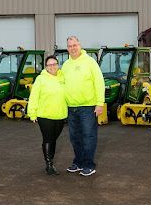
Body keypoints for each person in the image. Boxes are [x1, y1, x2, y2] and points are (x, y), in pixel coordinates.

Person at [61, 36, 105, 177]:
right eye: (69, 46)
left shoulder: (90, 62)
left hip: (87, 107)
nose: (72, 48)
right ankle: (78, 162)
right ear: (67, 48)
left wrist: (100, 103)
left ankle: (88, 165)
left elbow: (99, 82)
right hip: (71, 107)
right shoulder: (66, 65)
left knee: (88, 136)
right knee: (75, 137)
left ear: (80, 45)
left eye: (74, 45)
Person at [27, 55, 67, 175]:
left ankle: (50, 162)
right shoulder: (40, 79)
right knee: (48, 139)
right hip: (45, 115)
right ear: (46, 67)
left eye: (54, 64)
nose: (52, 67)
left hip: (60, 114)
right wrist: (32, 113)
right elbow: (34, 96)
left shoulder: (63, 77)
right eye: (49, 65)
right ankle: (49, 165)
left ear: (58, 65)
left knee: (53, 139)